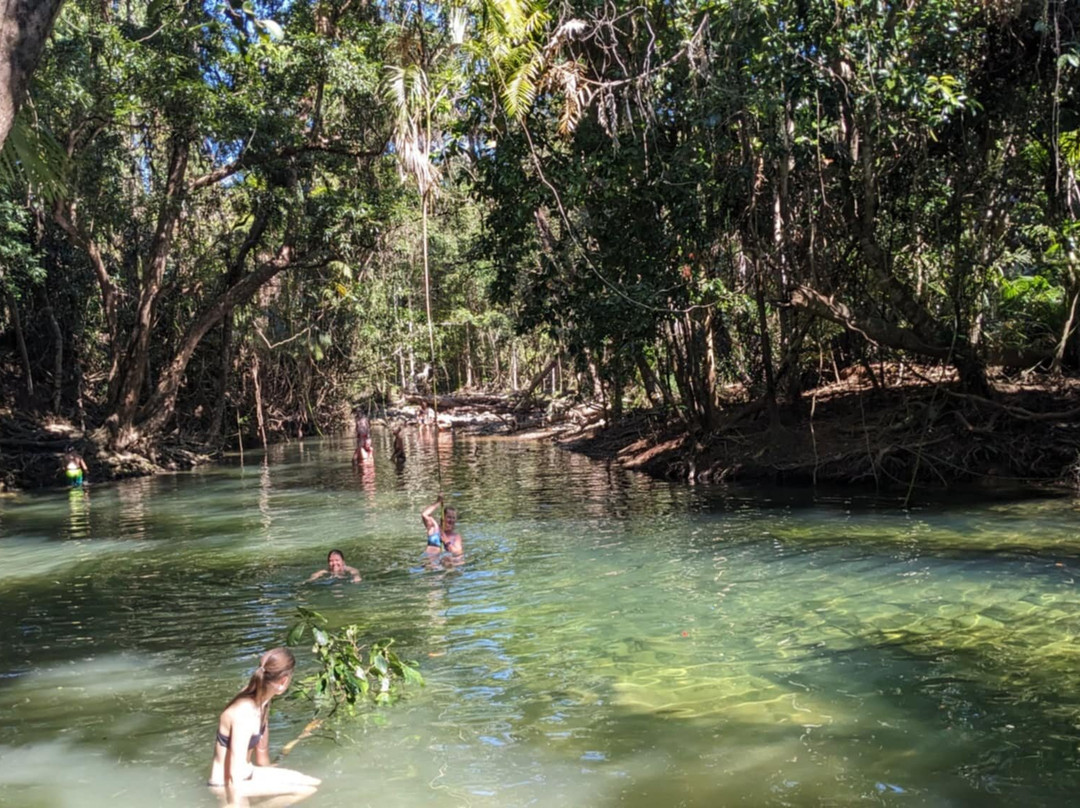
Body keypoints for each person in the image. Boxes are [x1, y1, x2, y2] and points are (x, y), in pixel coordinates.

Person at [208, 647, 320, 807]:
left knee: (312, 782)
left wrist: (270, 772)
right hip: (226, 785)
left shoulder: (263, 699)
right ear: (284, 681)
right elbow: (234, 778)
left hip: (248, 772)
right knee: (305, 790)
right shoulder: (244, 713)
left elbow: (261, 755)